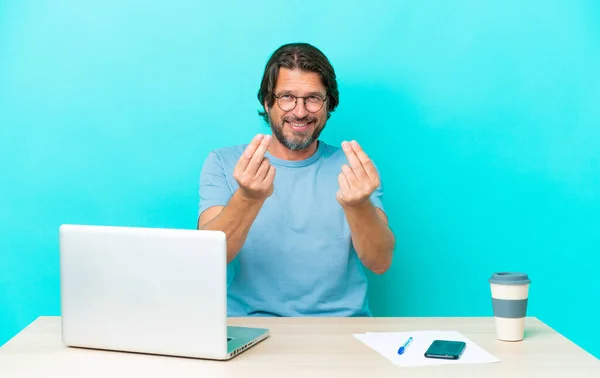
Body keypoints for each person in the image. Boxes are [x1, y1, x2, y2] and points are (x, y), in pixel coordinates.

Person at [197, 42, 395, 317]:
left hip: (341, 329)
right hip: (251, 329)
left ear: (329, 104)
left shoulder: (354, 167)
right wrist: (248, 198)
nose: (300, 112)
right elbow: (207, 261)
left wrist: (359, 205)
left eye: (313, 98)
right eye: (287, 97)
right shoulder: (223, 163)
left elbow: (380, 262)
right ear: (267, 102)